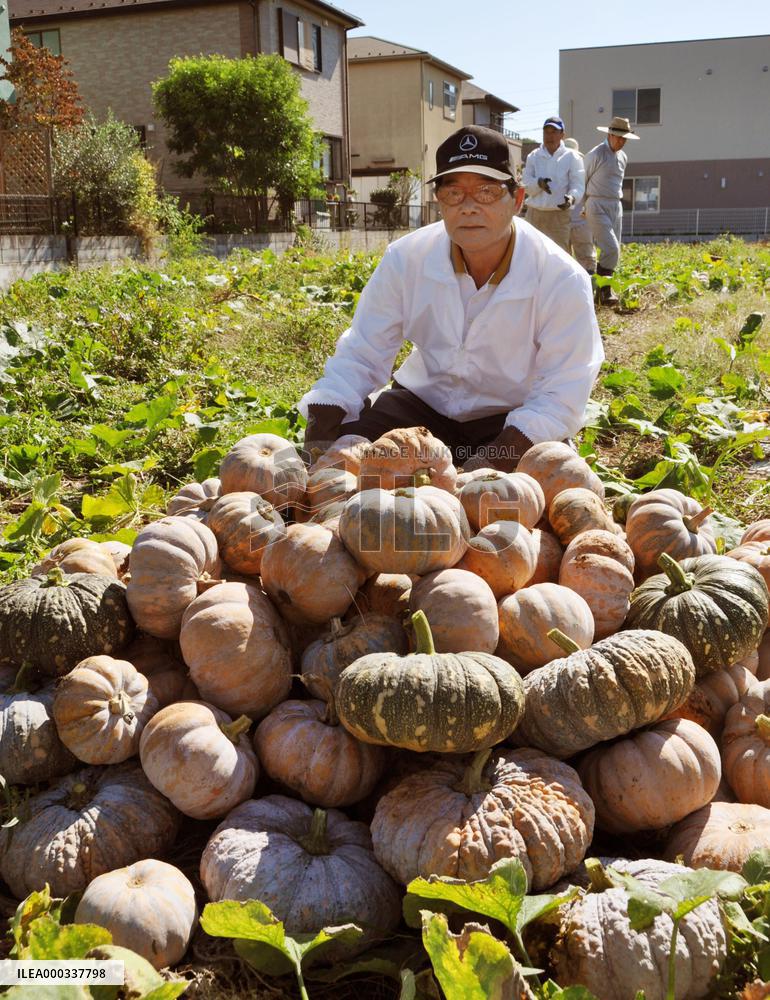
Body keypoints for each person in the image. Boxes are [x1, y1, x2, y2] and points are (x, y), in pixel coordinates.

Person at [299, 124, 603, 472]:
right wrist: (323, 425)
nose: (469, 207)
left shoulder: (560, 277)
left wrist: (489, 462)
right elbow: (363, 352)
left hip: (508, 420)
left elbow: (563, 392)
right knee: (347, 452)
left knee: (548, 477)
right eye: (454, 193)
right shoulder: (406, 259)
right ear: (439, 201)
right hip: (419, 409)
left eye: (487, 192)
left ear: (517, 200)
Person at [583, 115, 639, 305]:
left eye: (625, 138)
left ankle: (602, 291)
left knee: (614, 250)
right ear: (609, 134)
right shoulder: (596, 154)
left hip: (616, 204)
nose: (621, 141)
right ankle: (605, 290)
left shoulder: (623, 157)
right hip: (596, 203)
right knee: (611, 247)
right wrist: (582, 206)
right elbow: (582, 180)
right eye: (618, 137)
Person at [521, 116, 585, 253]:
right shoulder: (533, 156)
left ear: (562, 134)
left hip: (559, 216)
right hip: (534, 214)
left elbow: (578, 185)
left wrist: (572, 198)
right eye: (546, 132)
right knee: (531, 255)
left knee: (560, 256)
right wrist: (539, 183)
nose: (550, 136)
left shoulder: (572, 157)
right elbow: (525, 184)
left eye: (554, 132)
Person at [563, 138, 596, 274]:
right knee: (564, 262)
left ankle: (590, 290)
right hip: (564, 224)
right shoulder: (558, 173)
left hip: (580, 222)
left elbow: (591, 195)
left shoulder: (583, 174)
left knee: (586, 260)